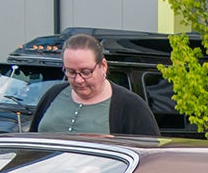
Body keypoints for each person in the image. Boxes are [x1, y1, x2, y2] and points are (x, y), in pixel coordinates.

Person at [31, 33, 159, 137]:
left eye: (86, 72)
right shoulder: (53, 95)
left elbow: (151, 158)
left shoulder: (131, 106)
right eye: (71, 72)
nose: (78, 80)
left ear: (103, 66)